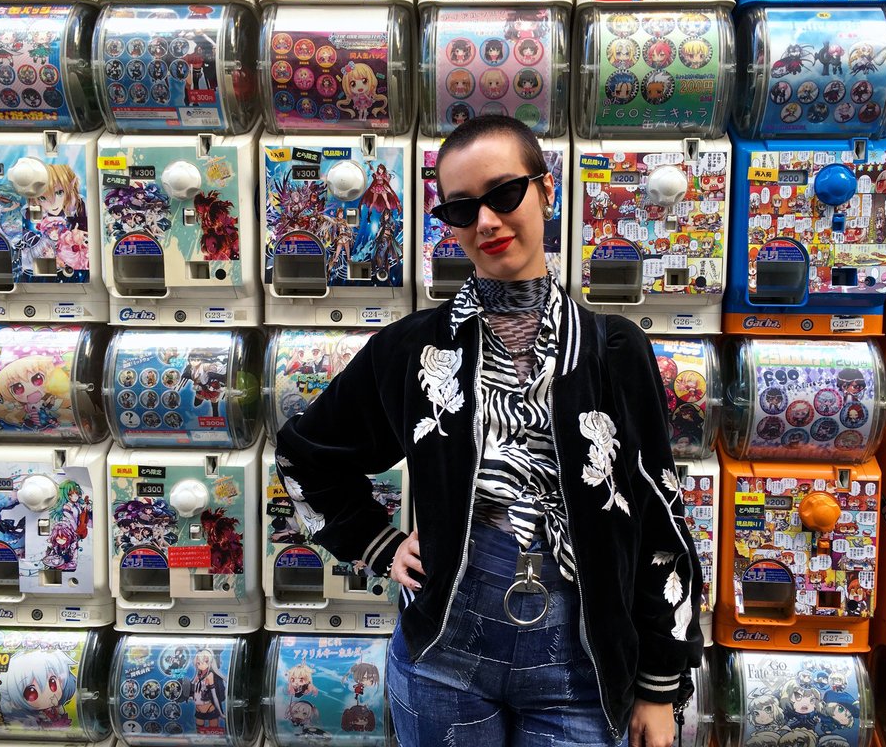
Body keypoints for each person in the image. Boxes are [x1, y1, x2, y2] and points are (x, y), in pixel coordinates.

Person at [275, 115, 703, 747]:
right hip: (444, 657)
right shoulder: (415, 348)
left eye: (505, 195)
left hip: (579, 663)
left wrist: (659, 686)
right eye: (461, 209)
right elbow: (307, 454)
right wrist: (378, 544)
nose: (487, 223)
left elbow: (656, 513)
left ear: (547, 191)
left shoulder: (614, 350)